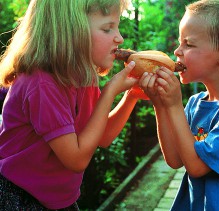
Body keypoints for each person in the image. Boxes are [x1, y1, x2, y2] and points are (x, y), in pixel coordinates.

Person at [0, 0, 142, 210]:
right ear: (71, 31)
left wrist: (131, 96)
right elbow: (76, 159)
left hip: (59, 200)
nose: (119, 38)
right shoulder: (42, 84)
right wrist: (110, 91)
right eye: (107, 28)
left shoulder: (82, 76)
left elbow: (101, 136)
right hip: (20, 198)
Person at [139, 0, 219, 210]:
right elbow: (174, 159)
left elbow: (197, 167)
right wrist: (161, 105)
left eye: (188, 44)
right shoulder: (195, 103)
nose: (177, 51)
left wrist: (173, 105)